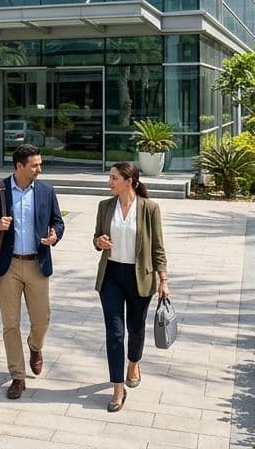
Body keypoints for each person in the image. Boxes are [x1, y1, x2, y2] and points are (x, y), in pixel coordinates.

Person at [0, 144, 64, 399]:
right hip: (8, 266)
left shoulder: (46, 191)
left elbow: (58, 221)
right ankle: (17, 376)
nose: (39, 169)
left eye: (40, 164)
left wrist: (55, 235)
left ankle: (35, 346)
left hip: (37, 264)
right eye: (35, 165)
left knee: (41, 319)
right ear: (19, 166)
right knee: (10, 324)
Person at [92, 161, 169, 412]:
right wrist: (100, 242)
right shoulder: (105, 206)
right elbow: (96, 238)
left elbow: (158, 247)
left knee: (136, 328)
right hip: (111, 276)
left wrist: (163, 280)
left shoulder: (149, 208)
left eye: (114, 178)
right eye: (110, 177)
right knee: (115, 333)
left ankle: (134, 363)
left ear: (129, 181)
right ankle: (117, 388)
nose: (109, 182)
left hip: (140, 277)